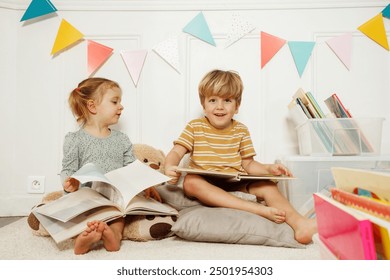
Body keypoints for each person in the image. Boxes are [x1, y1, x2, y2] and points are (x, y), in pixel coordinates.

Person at [164, 69, 317, 244]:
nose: (219, 107)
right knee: (191, 182)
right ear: (203, 105)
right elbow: (177, 151)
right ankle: (256, 209)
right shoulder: (195, 126)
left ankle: (300, 224)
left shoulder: (241, 130)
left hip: (233, 182)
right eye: (213, 100)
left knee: (268, 186)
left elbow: (249, 164)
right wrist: (170, 166)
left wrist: (268, 169)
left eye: (227, 100)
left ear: (237, 106)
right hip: (205, 181)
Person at [61, 77, 161, 254]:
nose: (121, 106)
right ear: (92, 107)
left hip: (113, 197)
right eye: (115, 101)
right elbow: (68, 169)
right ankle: (83, 239)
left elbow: (132, 167)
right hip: (87, 196)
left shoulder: (121, 139)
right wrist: (70, 183)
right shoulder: (75, 139)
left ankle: (112, 236)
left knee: (118, 216)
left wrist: (146, 184)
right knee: (80, 216)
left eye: (120, 102)